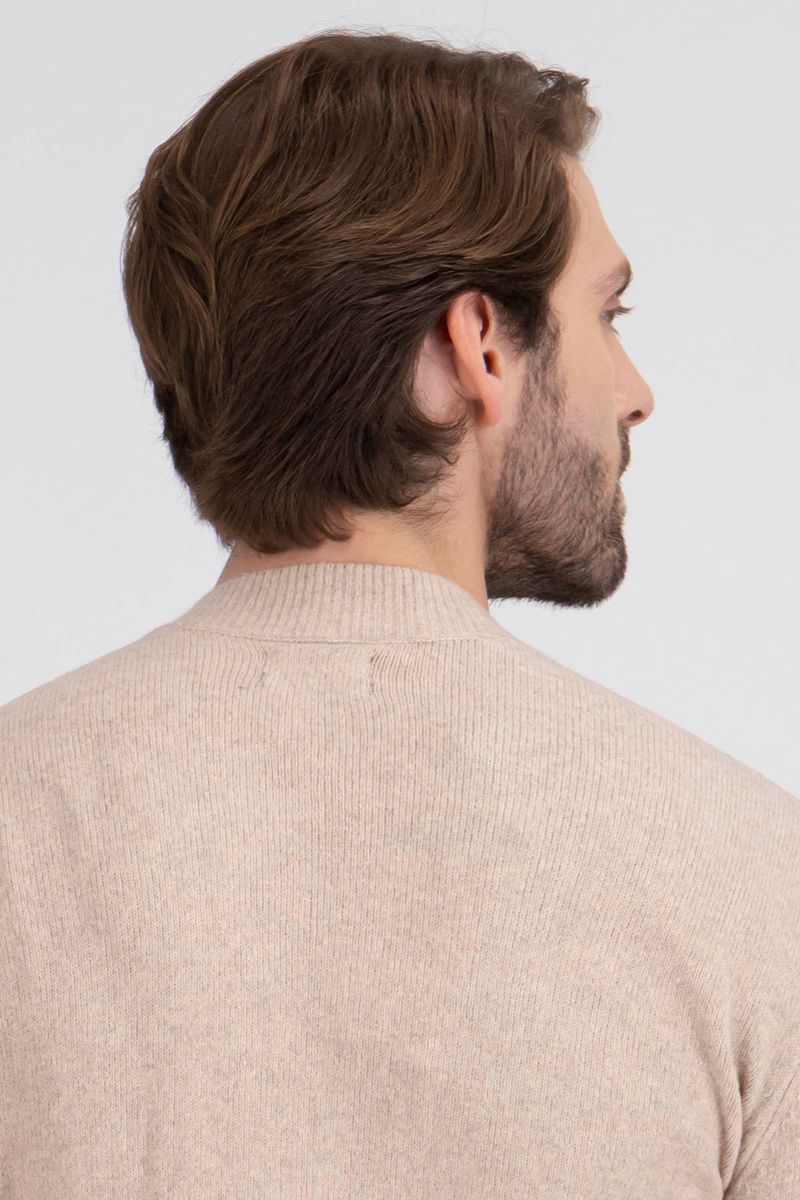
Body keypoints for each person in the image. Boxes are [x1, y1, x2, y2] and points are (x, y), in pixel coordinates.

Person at [1, 28, 797, 1199]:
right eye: (606, 314)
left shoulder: (20, 816)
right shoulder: (747, 874)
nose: (634, 395)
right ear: (477, 346)